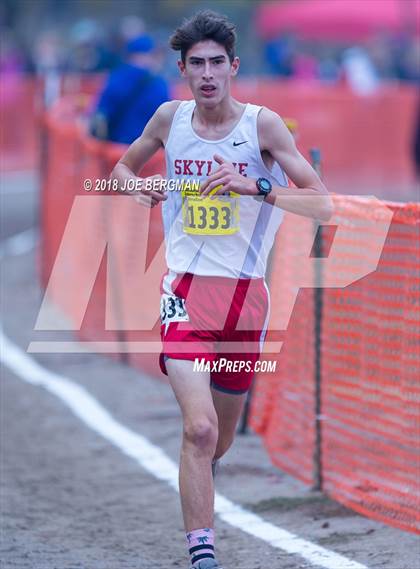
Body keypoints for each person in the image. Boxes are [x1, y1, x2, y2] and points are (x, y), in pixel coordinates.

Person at [111, 10, 333, 569]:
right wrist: (138, 189)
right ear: (182, 71)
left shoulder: (264, 127)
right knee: (199, 426)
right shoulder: (168, 120)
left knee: (218, 438)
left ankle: (201, 472)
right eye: (196, 65)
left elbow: (322, 204)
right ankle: (202, 552)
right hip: (182, 291)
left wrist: (257, 185)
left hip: (244, 298)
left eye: (217, 63)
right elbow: (119, 169)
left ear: (233, 67)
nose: (207, 74)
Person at [91, 34, 170, 143]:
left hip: (114, 150)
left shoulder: (116, 77)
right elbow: (168, 120)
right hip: (148, 152)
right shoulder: (159, 83)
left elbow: (100, 117)